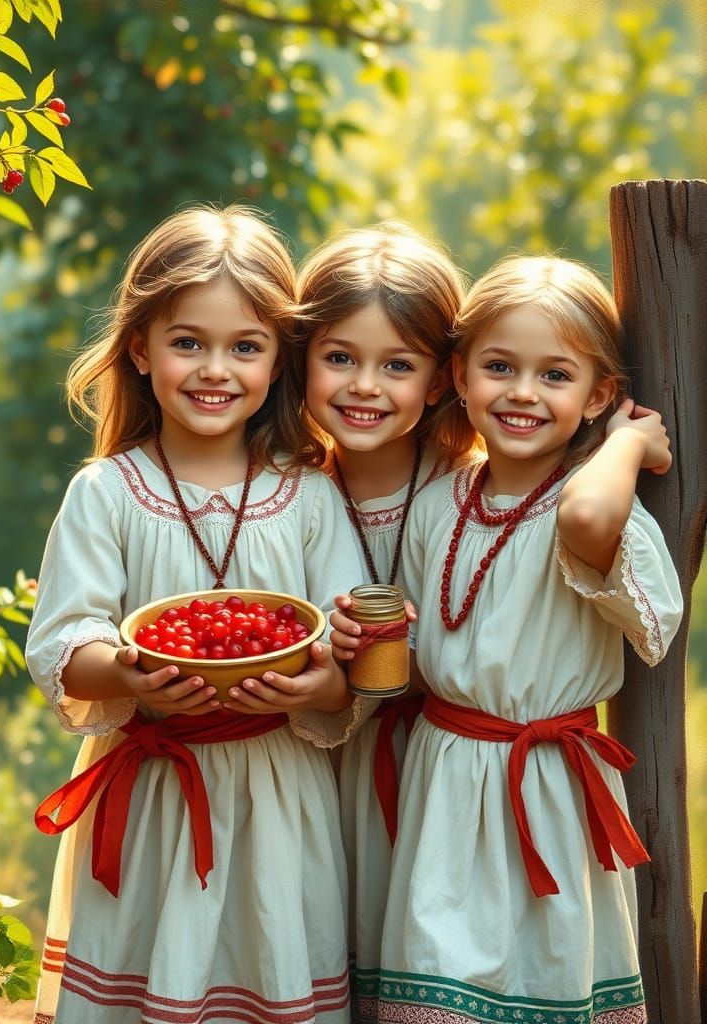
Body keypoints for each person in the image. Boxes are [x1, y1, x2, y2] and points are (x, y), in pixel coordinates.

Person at [25, 205, 368, 1024]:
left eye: (245, 347)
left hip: (279, 797)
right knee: (152, 978)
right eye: (189, 343)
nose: (216, 370)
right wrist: (128, 669)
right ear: (140, 349)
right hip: (149, 793)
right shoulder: (106, 492)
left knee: (273, 970)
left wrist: (317, 688)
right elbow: (65, 645)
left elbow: (344, 665)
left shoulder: (310, 495)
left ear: (278, 359)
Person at [331, 255, 682, 1024]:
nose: (522, 394)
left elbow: (585, 520)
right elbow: (421, 659)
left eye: (555, 376)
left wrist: (625, 445)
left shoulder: (595, 508)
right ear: (458, 376)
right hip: (442, 784)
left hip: (546, 789)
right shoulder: (440, 501)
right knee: (435, 981)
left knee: (542, 972)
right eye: (499, 367)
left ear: (600, 396)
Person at [295, 224, 479, 1024]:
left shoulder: (472, 491)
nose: (364, 385)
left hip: (437, 771)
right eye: (339, 357)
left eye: (397, 364)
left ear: (440, 380)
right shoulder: (282, 495)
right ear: (299, 357)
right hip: (309, 766)